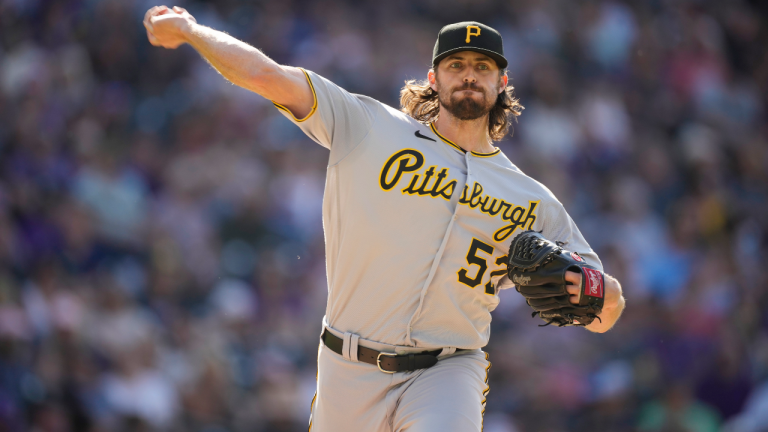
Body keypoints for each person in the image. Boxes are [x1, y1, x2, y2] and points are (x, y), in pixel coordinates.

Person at [144, 6, 626, 431]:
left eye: (483, 66)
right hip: (347, 364)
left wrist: (596, 292)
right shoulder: (368, 126)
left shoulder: (532, 199)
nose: (469, 75)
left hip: (449, 369)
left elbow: (607, 309)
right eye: (456, 65)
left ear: (502, 83)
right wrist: (191, 31)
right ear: (433, 78)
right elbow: (267, 75)